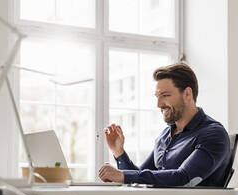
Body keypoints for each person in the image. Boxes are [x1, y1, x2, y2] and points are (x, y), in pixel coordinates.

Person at [98, 62, 230, 186]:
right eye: (157, 97)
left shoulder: (213, 134)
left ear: (187, 94)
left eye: (165, 95)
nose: (159, 104)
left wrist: (122, 175)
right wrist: (119, 152)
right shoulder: (165, 135)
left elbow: (182, 178)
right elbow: (139, 178)